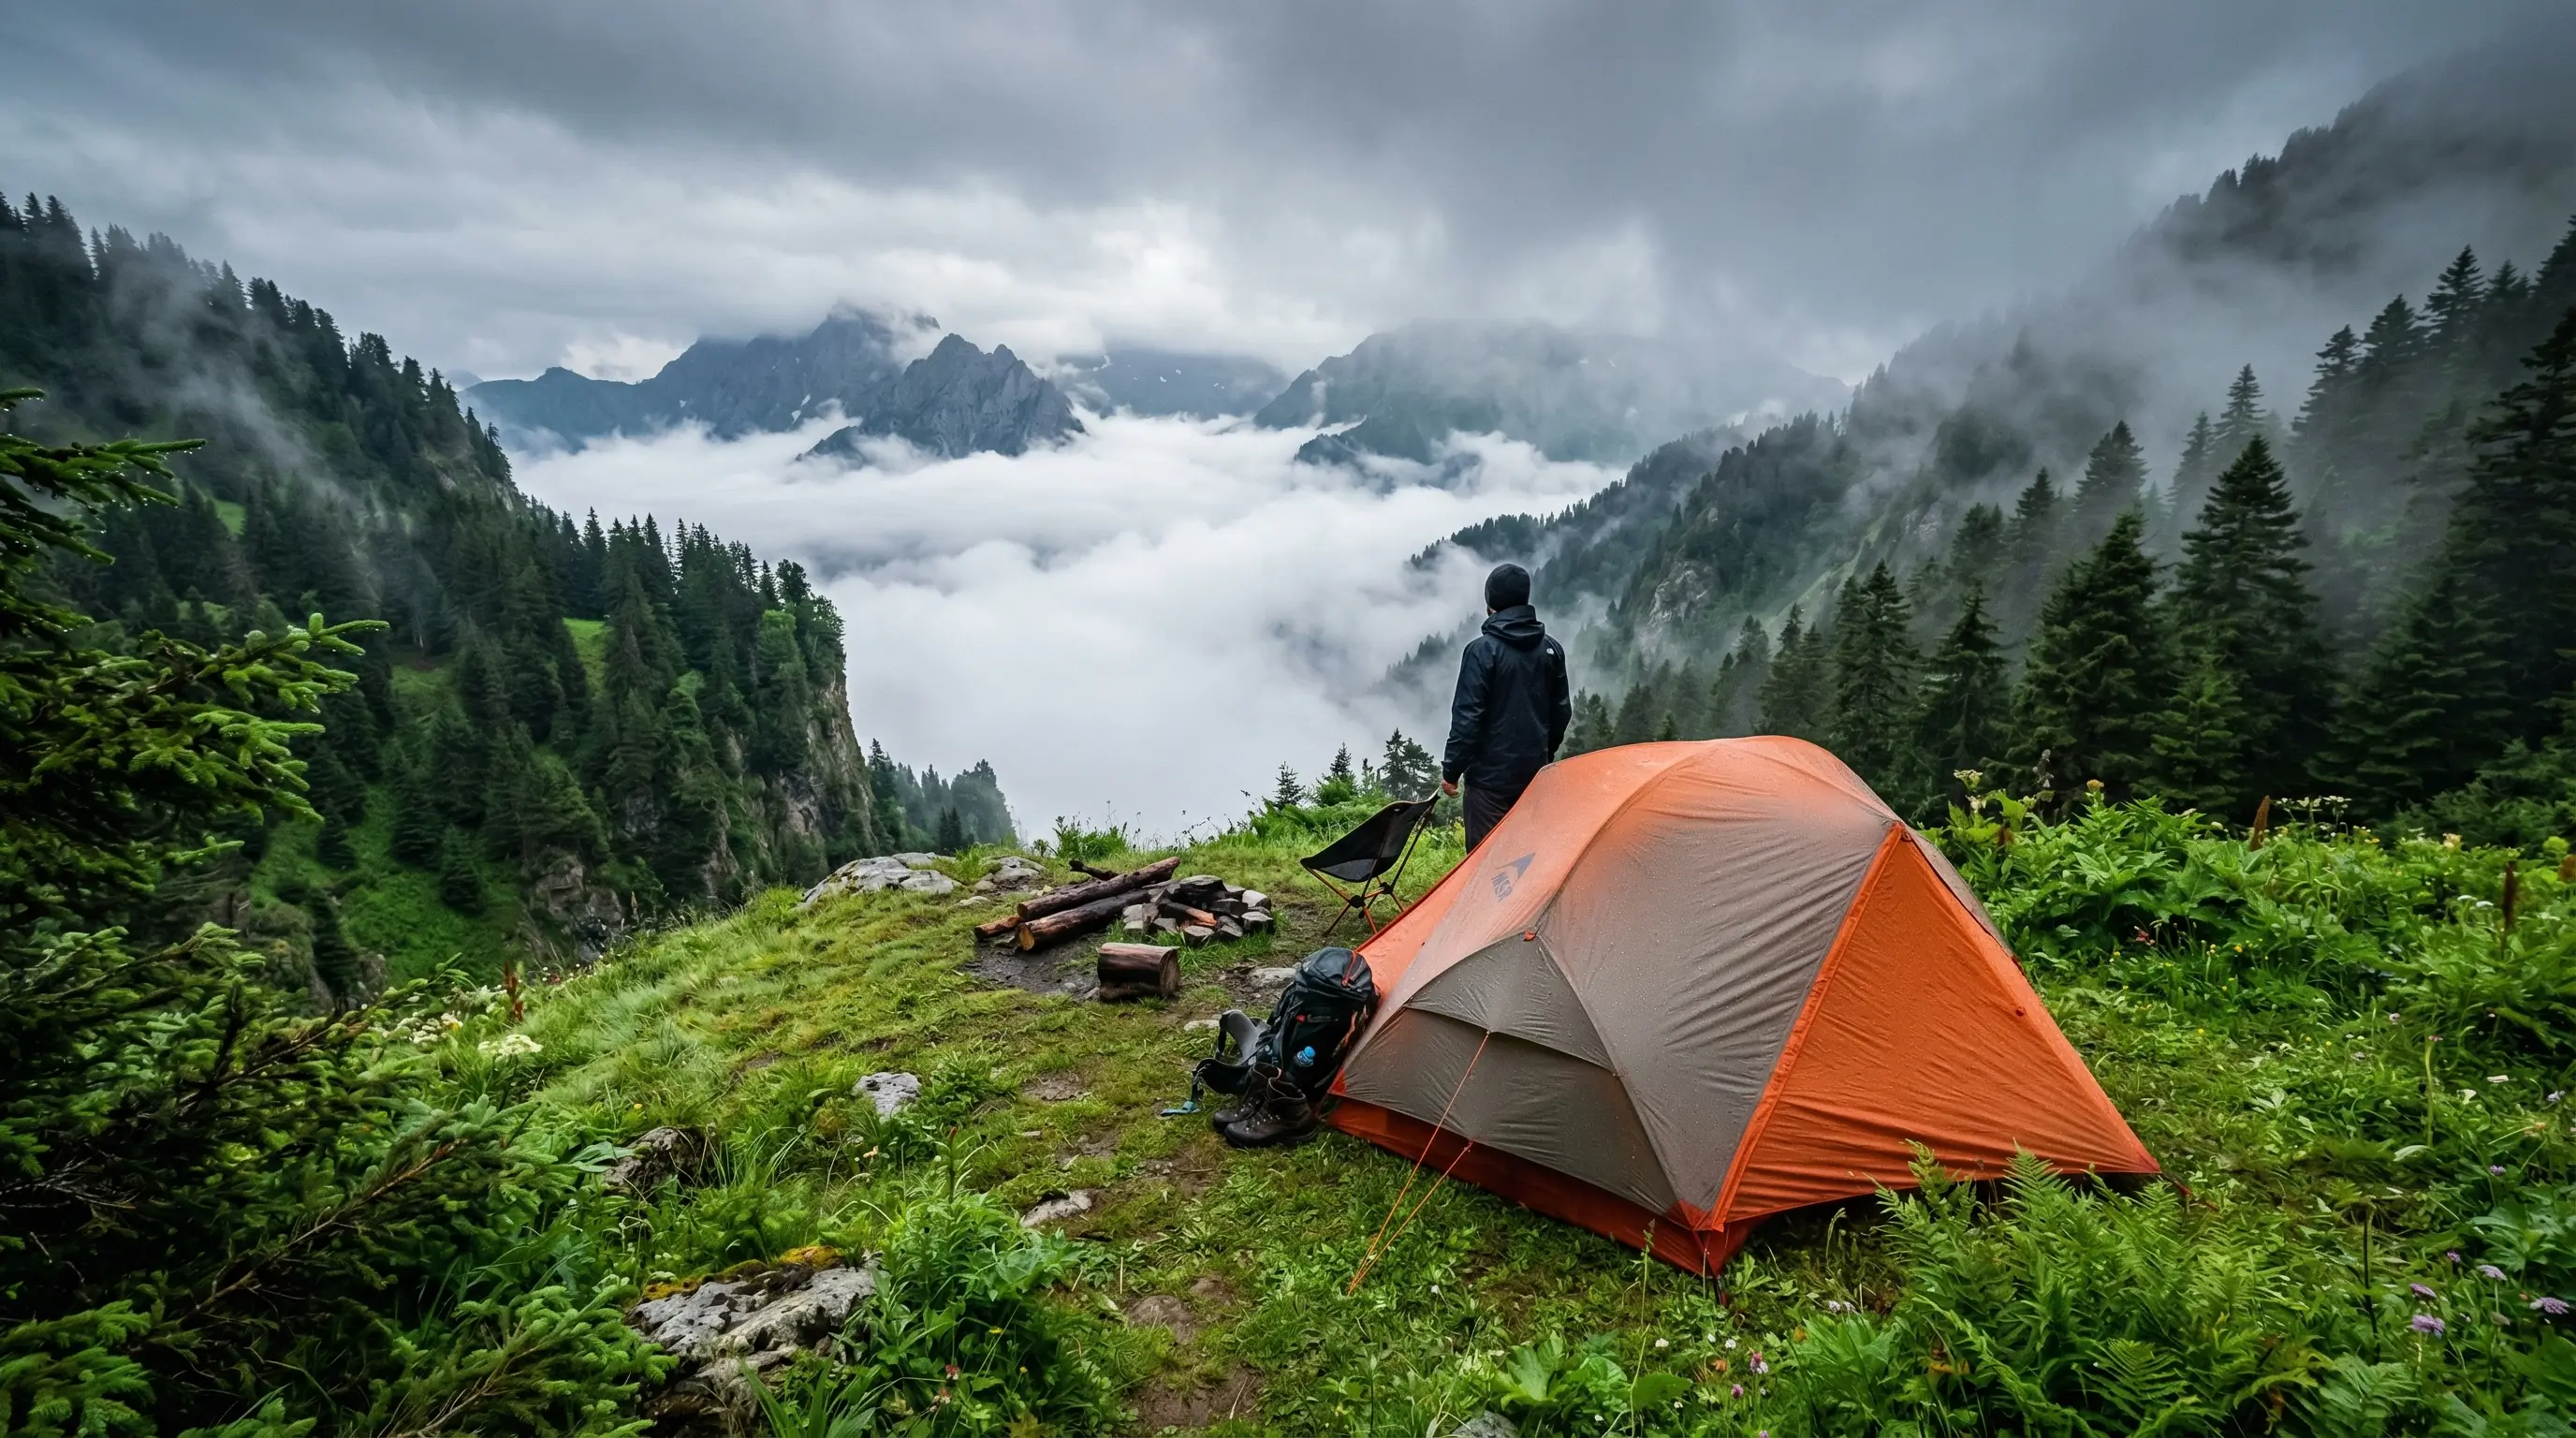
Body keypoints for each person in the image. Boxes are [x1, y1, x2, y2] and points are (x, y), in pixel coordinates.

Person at [1442, 562, 1571, 851]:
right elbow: (1561, 712)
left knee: (1484, 864)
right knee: (1525, 860)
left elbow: (1467, 718)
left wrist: (1451, 772)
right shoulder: (1551, 649)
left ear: (1490, 603)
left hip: (1488, 786)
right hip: (1533, 779)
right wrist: (1543, 754)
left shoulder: (1481, 651)